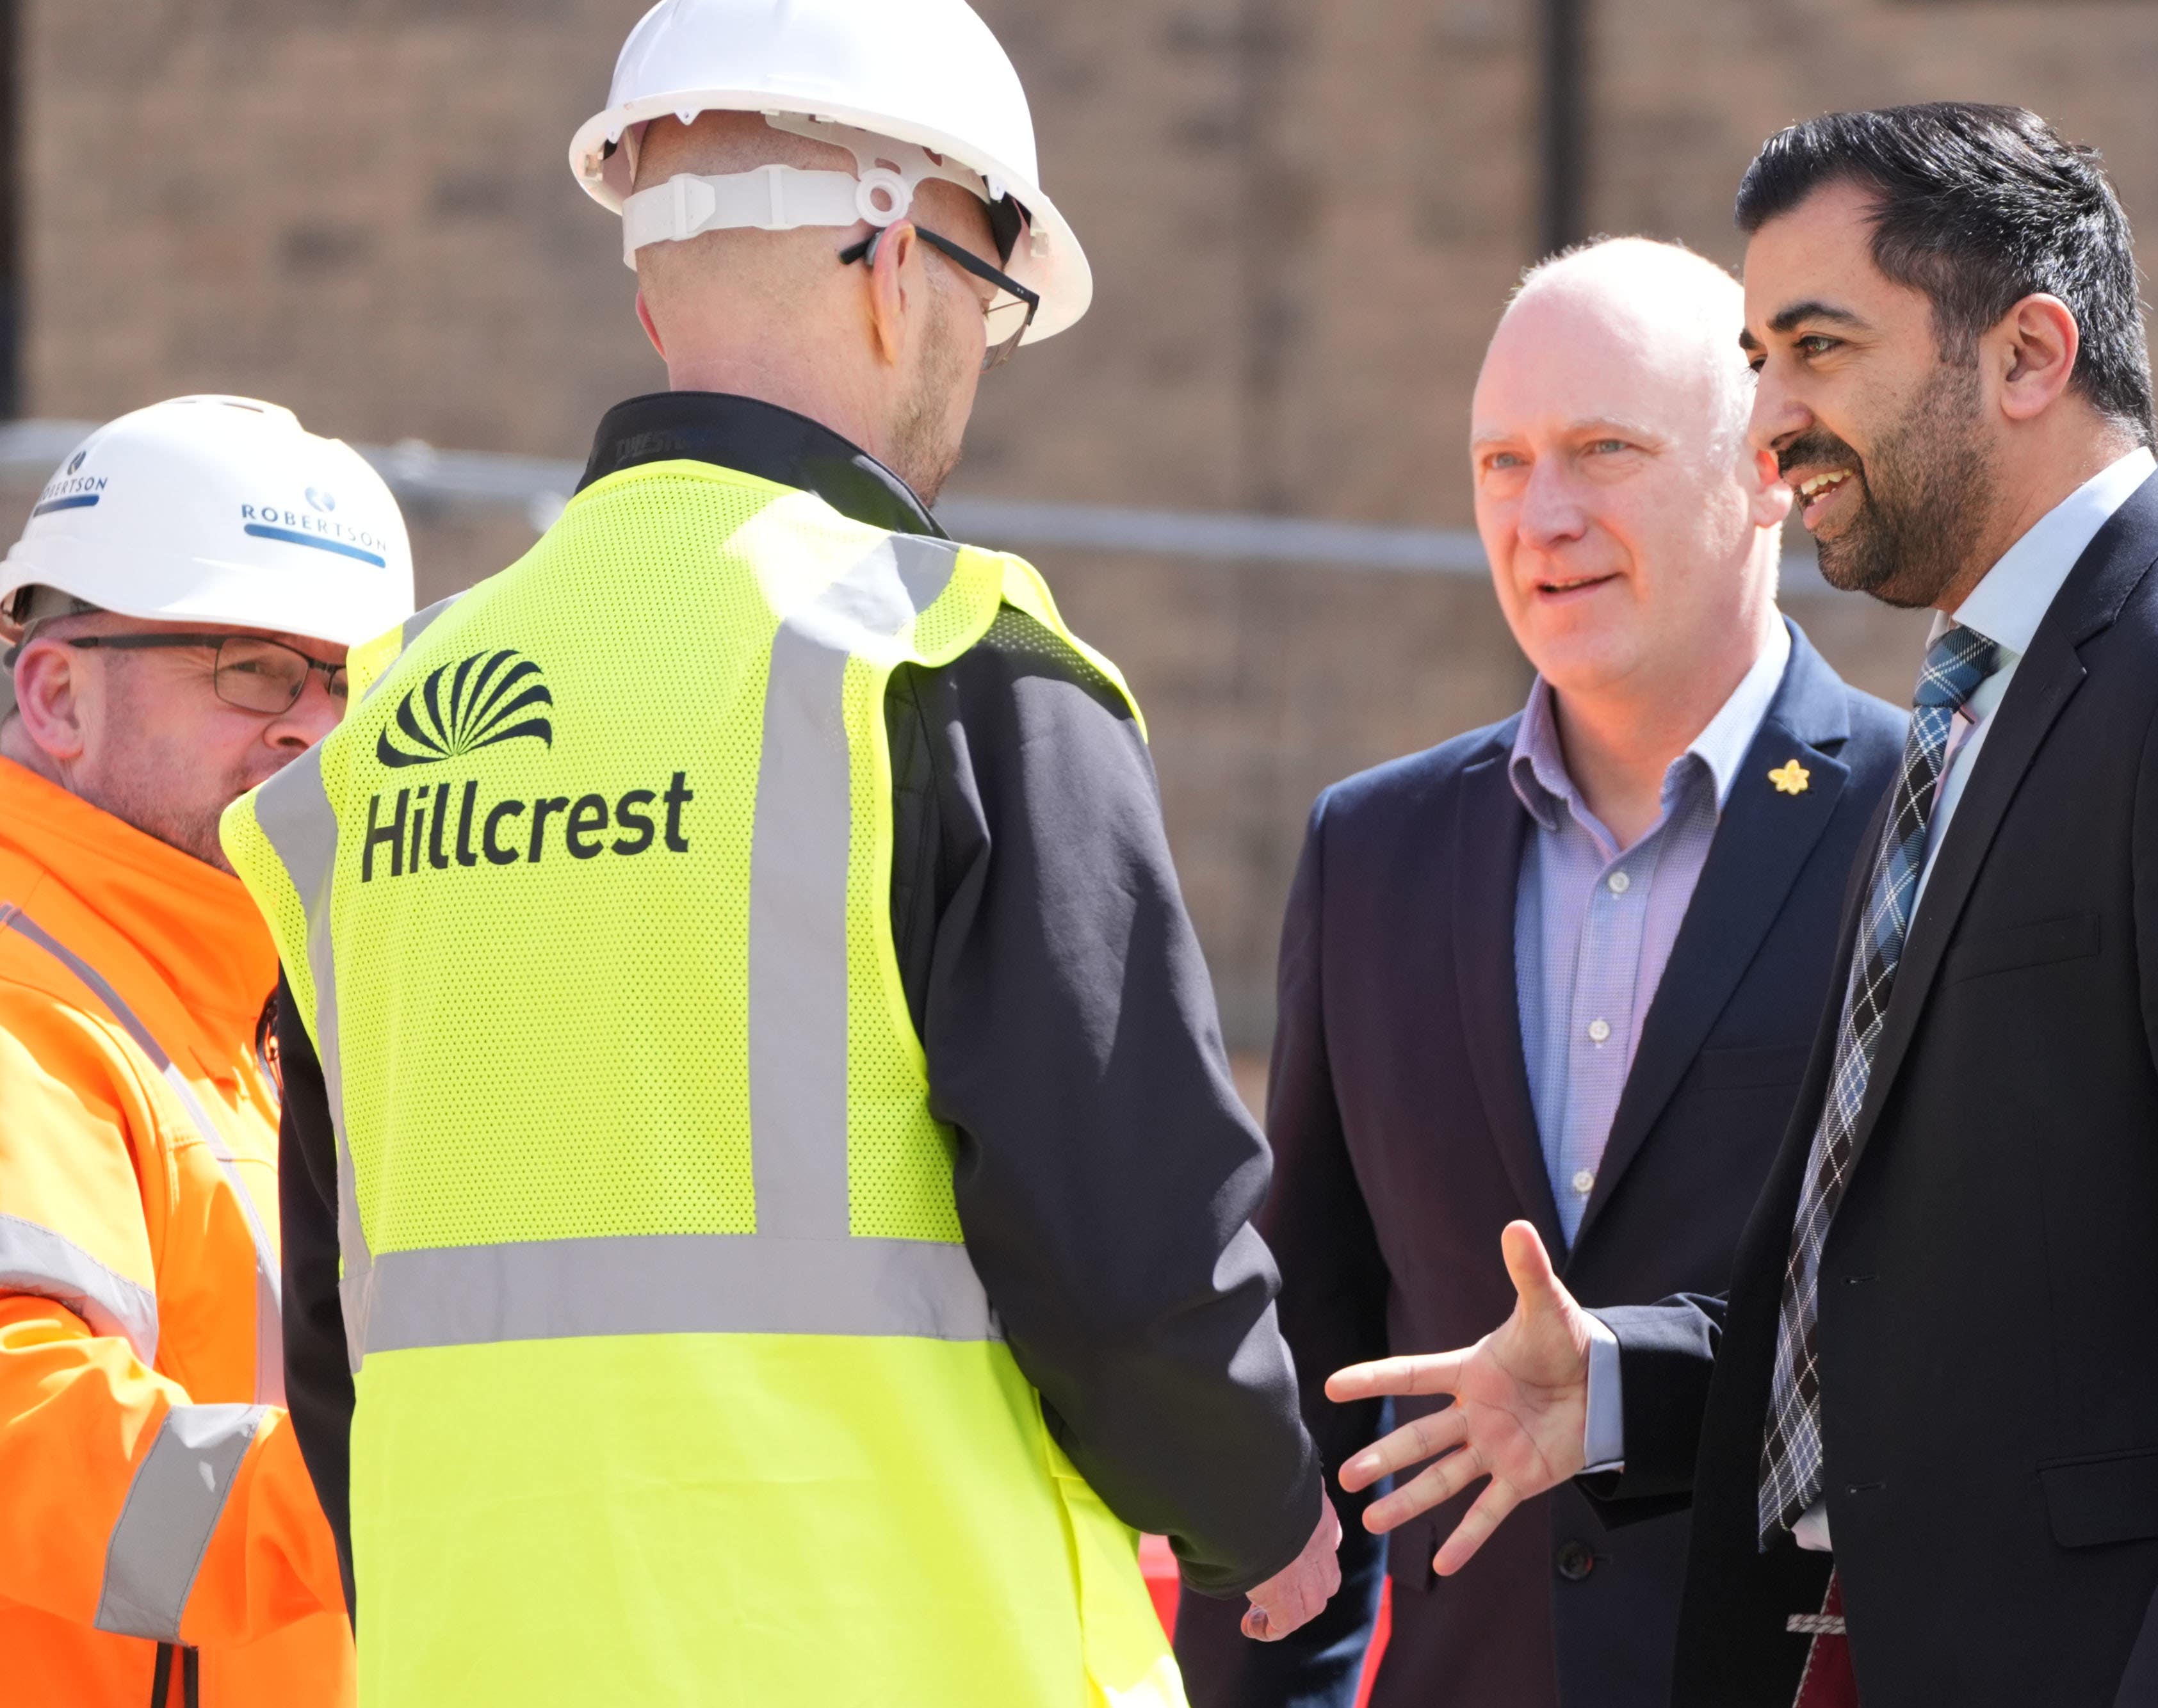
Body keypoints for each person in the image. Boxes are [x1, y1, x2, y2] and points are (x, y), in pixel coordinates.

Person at [1328, 102, 2158, 1708]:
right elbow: (1947, 1297)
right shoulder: (1968, 716)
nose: (1769, 424)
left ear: (2028, 353)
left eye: (1817, 350)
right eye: (1757, 358)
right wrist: (1622, 1387)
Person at [217, 3, 1335, 1705]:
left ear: (650, 288)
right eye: (984, 295)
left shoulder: (384, 730)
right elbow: (1133, 1250)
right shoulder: (945, 663)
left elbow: (336, 1336)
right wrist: (1267, 1508)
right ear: (897, 264)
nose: (975, 346)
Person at [1173, 240, 1904, 1708]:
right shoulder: (1371, 850)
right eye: (1499, 462)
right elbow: (1310, 1368)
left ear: (1769, 466)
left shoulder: (1925, 821)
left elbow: (1960, 1328)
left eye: (1602, 451)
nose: (1541, 514)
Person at [0, 394, 414, 1707]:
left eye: (354, 682)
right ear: (57, 691)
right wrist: (437, 1473)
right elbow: (33, 1437)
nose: (313, 725)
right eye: (254, 668)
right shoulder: (28, 999)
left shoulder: (253, 1013)